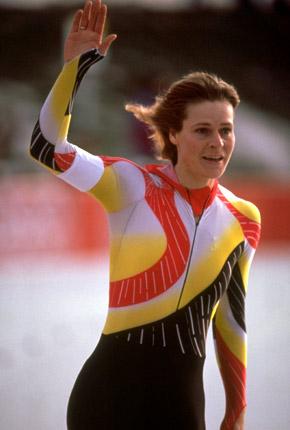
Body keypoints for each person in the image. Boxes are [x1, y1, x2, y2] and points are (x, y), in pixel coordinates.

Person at [30, 1, 261, 429]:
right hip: (105, 399)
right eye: (203, 130)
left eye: (226, 129)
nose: (218, 143)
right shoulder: (130, 184)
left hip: (181, 407)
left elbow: (231, 321)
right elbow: (47, 148)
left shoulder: (243, 218)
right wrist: (73, 71)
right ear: (173, 134)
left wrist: (237, 407)